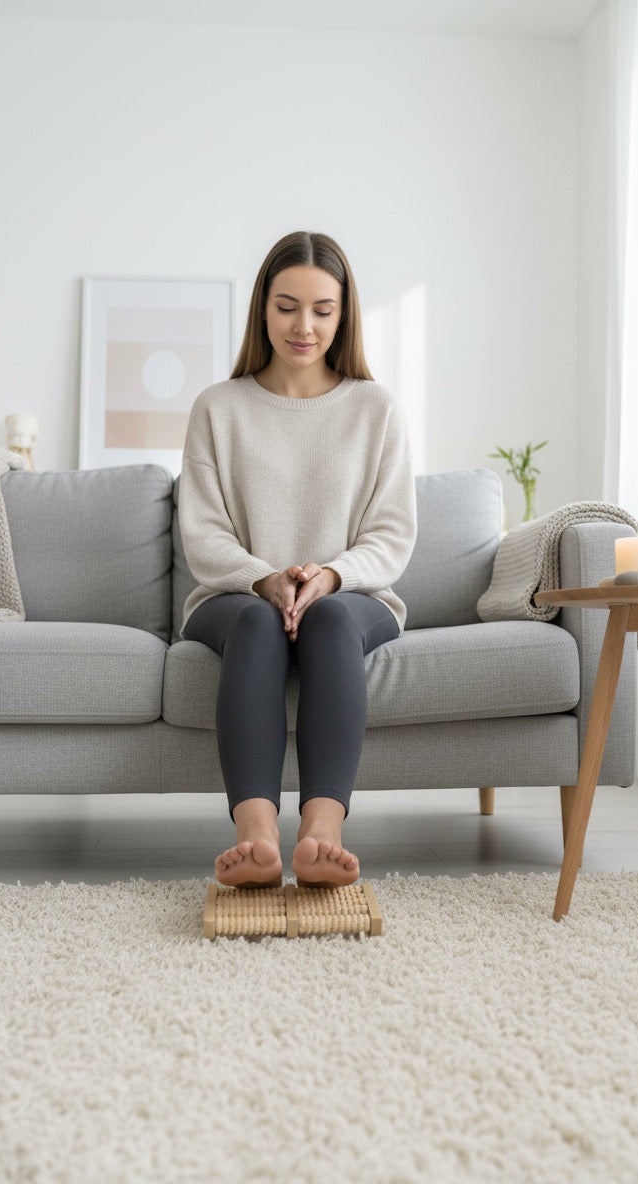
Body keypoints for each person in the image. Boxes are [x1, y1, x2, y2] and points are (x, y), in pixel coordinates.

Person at [178, 230, 417, 888]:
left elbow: (391, 534)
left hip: (352, 596)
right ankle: (256, 841)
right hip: (236, 597)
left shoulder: (375, 410)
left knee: (331, 620)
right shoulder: (218, 408)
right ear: (262, 309)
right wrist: (266, 579)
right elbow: (203, 535)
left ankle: (320, 835)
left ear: (344, 316)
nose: (303, 326)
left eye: (321, 309)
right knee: (257, 624)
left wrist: (329, 577)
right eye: (286, 307)